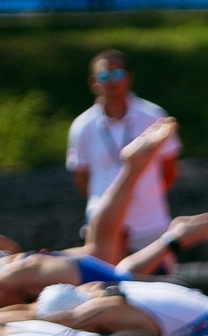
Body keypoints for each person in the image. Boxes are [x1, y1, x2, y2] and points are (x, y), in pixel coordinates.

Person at [66, 50, 179, 256]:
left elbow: (169, 169)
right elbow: (81, 177)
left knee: (156, 273)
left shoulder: (154, 116)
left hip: (150, 219)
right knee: (103, 275)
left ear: (129, 78)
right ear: (93, 82)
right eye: (104, 76)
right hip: (104, 224)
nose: (112, 81)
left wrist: (146, 195)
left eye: (118, 74)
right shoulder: (82, 126)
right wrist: (113, 203)